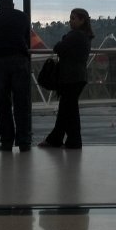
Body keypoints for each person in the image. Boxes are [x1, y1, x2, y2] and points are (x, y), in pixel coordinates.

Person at [38, 8, 94, 149]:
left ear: (82, 20)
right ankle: (69, 140)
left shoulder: (75, 35)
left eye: (73, 18)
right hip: (78, 77)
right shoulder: (85, 36)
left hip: (70, 78)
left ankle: (62, 140)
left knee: (67, 110)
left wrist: (63, 39)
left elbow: (58, 47)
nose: (70, 21)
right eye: (71, 18)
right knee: (68, 110)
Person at [0, 0, 32, 152]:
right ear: (12, 4)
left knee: (2, 103)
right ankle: (24, 141)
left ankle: (6, 141)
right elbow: (26, 37)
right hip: (19, 60)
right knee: (21, 102)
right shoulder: (23, 17)